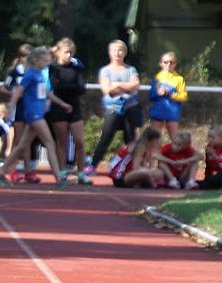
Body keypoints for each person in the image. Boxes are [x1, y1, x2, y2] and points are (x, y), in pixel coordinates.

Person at [0, 46, 70, 187]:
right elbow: (18, 92)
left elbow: (47, 93)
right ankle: (59, 178)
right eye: (45, 60)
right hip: (33, 114)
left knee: (22, 145)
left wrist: (62, 104)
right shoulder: (29, 75)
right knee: (50, 143)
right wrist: (11, 109)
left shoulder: (39, 74)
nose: (47, 63)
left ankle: (1, 172)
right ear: (36, 61)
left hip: (38, 112)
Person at [88, 39, 142, 172]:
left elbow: (135, 85)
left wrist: (117, 85)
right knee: (106, 137)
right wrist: (125, 87)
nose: (118, 53)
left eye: (121, 50)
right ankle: (92, 166)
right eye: (115, 50)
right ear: (110, 53)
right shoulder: (105, 71)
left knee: (131, 139)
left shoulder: (131, 69)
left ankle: (133, 167)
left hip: (130, 108)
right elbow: (107, 89)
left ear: (125, 52)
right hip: (113, 109)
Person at [47, 38, 91, 185]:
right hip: (59, 106)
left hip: (75, 105)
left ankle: (81, 173)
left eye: (71, 52)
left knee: (79, 141)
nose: (69, 55)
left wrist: (69, 86)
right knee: (62, 141)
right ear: (58, 52)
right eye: (66, 52)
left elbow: (81, 88)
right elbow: (56, 87)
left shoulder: (77, 67)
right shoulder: (53, 68)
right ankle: (63, 171)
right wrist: (71, 87)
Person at [148, 51, 187, 141]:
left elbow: (184, 96)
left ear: (175, 64)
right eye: (166, 62)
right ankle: (153, 154)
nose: (168, 64)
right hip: (158, 111)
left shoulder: (179, 79)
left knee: (176, 139)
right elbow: (150, 96)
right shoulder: (157, 78)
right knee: (153, 139)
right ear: (161, 63)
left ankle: (177, 155)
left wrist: (170, 94)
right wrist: (157, 93)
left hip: (172, 112)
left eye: (171, 62)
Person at [196, 125, 222, 190]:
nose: (210, 139)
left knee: (217, 179)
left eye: (212, 137)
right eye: (209, 137)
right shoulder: (210, 148)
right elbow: (209, 167)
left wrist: (215, 157)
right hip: (215, 177)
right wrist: (207, 177)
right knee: (203, 183)